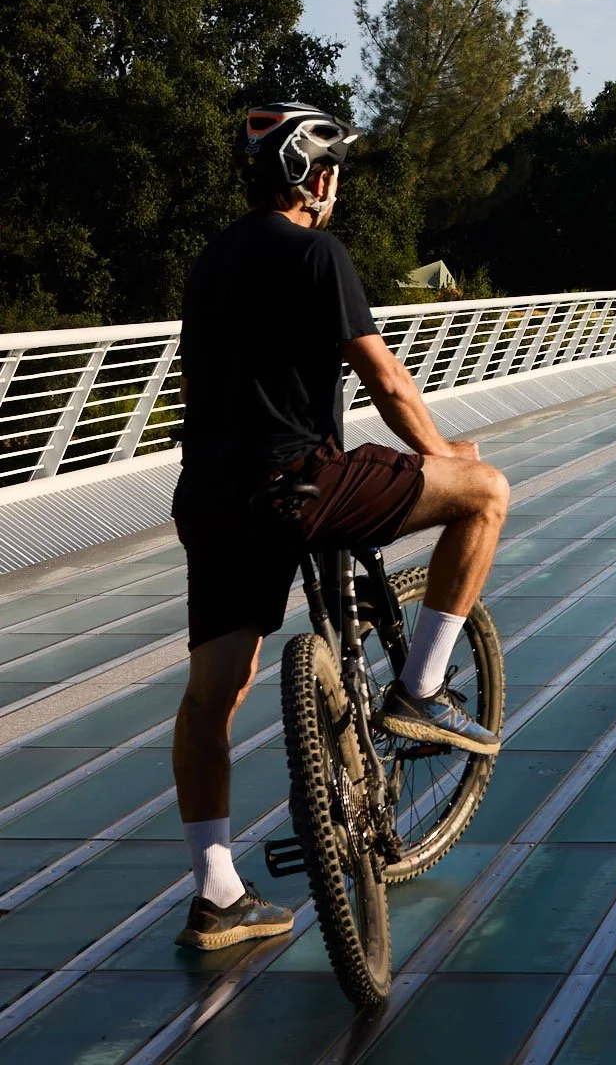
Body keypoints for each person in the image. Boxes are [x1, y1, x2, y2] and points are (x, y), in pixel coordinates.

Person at [170, 104, 510, 951]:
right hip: (299, 484)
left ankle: (217, 894)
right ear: (313, 178)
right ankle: (423, 690)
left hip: (212, 499)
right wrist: (445, 450)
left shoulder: (210, 260)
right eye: (335, 174)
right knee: (486, 493)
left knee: (213, 694)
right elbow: (386, 380)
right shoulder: (317, 252)